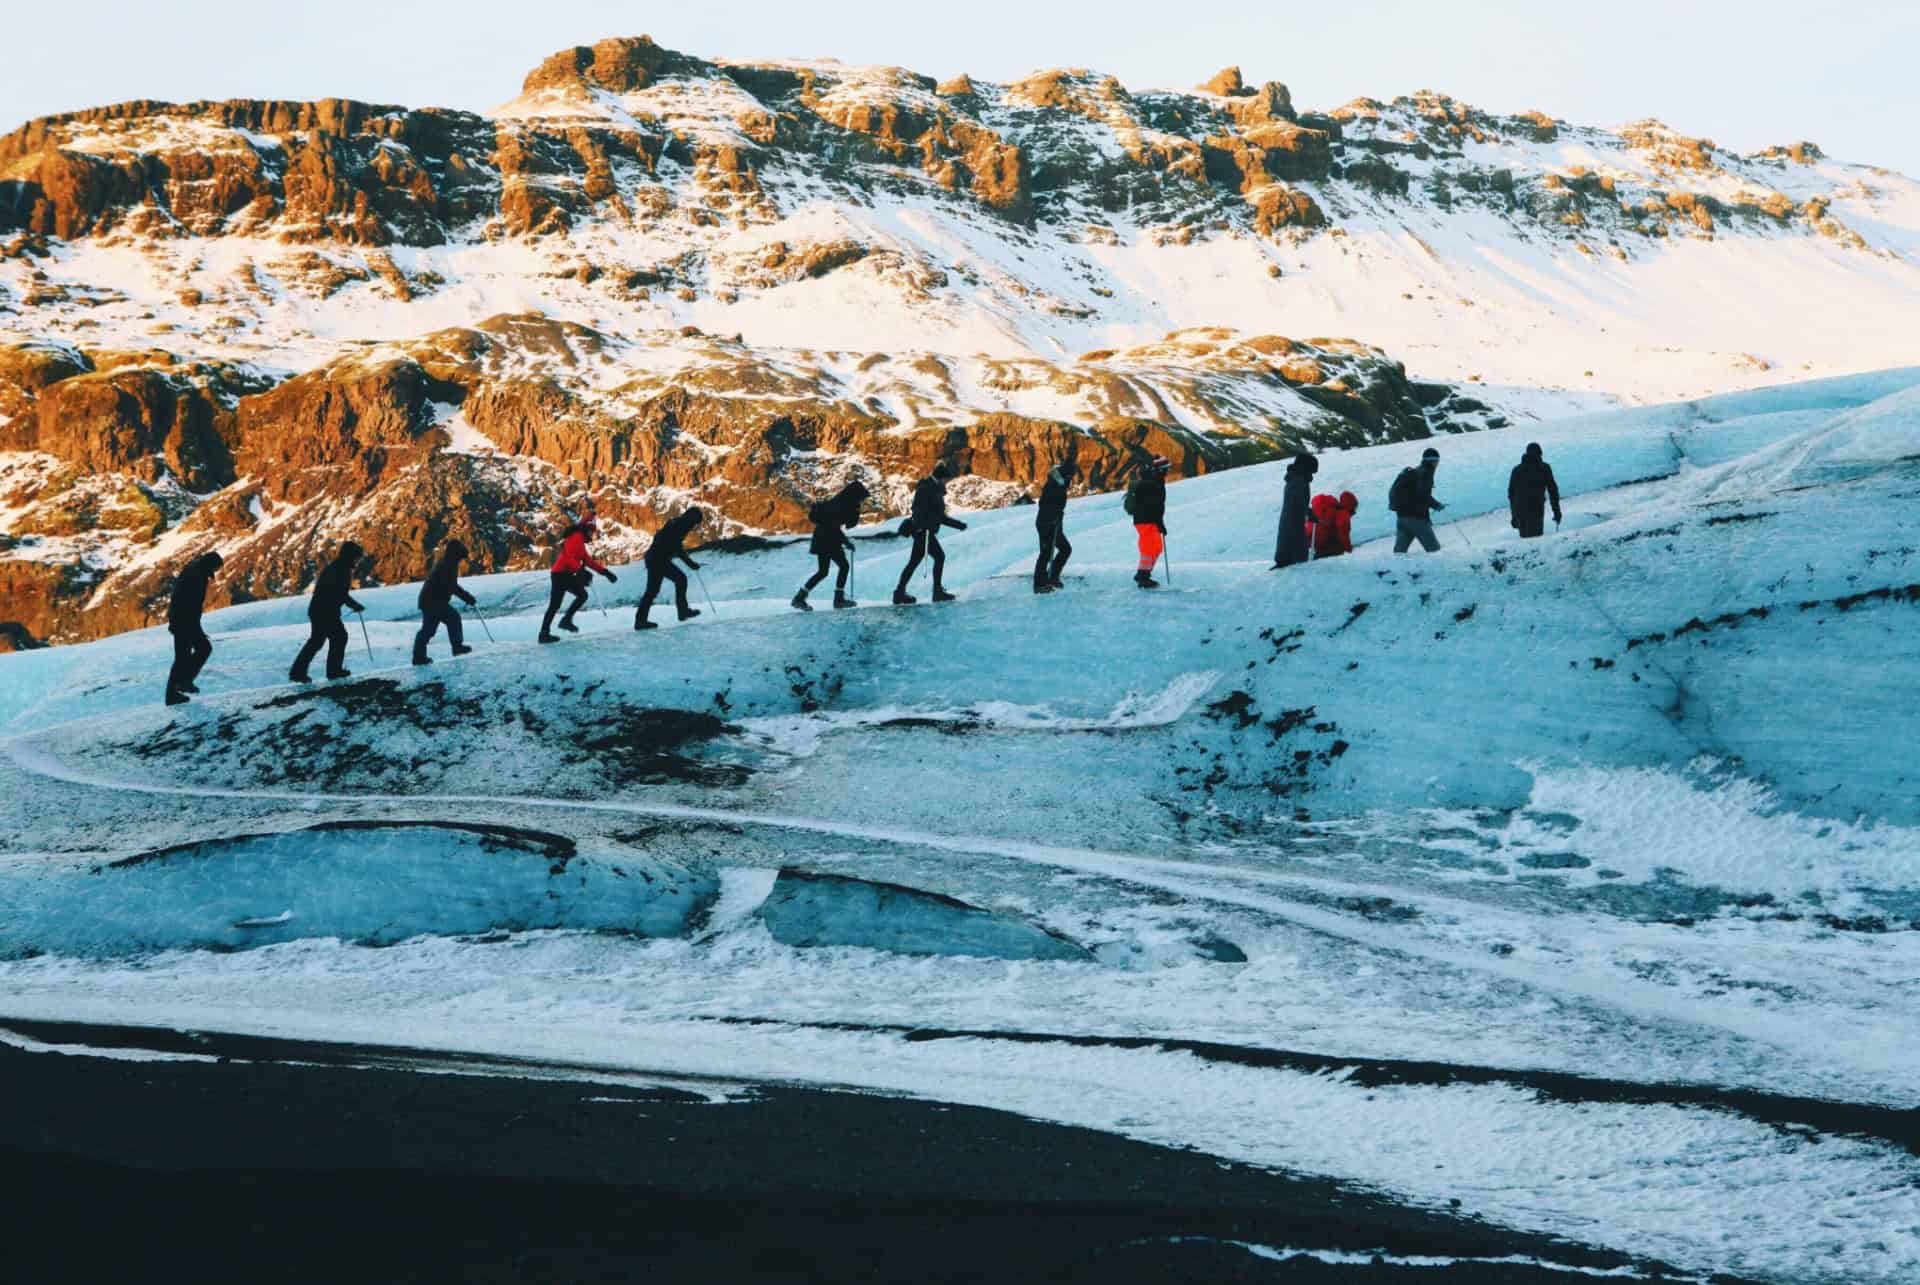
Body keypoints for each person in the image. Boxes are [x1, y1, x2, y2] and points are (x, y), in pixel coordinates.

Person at [290, 541, 366, 682]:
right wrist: (355, 605)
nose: (358, 560)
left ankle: (298, 672)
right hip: (326, 612)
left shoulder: (337, 567)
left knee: (318, 641)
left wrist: (353, 605)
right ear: (351, 556)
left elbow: (338, 593)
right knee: (338, 637)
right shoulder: (341, 570)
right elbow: (340, 593)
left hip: (320, 610)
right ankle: (333, 671)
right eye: (357, 557)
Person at [893, 462, 967, 605]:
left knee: (913, 563)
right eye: (946, 479)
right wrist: (922, 527)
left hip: (922, 531)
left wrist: (958, 525)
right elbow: (918, 510)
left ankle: (899, 593)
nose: (947, 482)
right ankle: (937, 592)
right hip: (923, 531)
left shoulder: (932, 488)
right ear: (941, 477)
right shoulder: (927, 489)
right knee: (939, 556)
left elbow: (938, 515)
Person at [792, 481, 869, 611]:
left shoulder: (840, 502)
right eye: (861, 498)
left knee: (823, 572)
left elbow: (841, 525)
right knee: (844, 566)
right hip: (828, 539)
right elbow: (835, 527)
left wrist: (845, 541)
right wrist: (846, 542)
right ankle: (838, 600)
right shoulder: (841, 505)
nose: (861, 501)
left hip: (822, 538)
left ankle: (800, 598)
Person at [540, 516, 614, 643]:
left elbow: (587, 560)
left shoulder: (578, 539)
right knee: (579, 596)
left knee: (558, 604)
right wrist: (581, 571)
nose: (592, 534)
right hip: (561, 574)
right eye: (591, 531)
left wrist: (604, 572)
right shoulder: (576, 538)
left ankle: (547, 631)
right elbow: (570, 558)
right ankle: (563, 622)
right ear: (586, 529)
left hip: (561, 574)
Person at [164, 550, 222, 705]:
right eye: (216, 568)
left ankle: (181, 685)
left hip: (184, 621)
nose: (215, 572)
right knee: (191, 653)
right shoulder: (196, 575)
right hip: (185, 621)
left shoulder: (195, 572)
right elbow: (187, 602)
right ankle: (176, 690)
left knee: (188, 654)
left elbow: (180, 599)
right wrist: (187, 624)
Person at [634, 506, 705, 630]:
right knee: (680, 580)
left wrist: (690, 563)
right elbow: (678, 548)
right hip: (658, 560)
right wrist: (691, 564)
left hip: (655, 559)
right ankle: (682, 612)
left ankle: (641, 620)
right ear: (692, 519)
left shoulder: (677, 523)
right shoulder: (680, 526)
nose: (695, 526)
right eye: (695, 523)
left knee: (652, 591)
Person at [413, 539, 476, 665]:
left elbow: (451, 586)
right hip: (433, 601)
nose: (461, 560)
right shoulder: (448, 565)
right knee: (452, 618)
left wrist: (467, 597)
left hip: (430, 600)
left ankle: (419, 656)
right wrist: (467, 598)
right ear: (456, 554)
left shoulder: (448, 563)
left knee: (429, 629)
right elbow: (451, 586)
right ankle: (457, 647)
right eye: (461, 558)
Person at [1388, 447, 1445, 554]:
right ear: (1434, 461)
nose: (1438, 464)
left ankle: (1393, 570)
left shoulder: (1414, 472)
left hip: (1402, 517)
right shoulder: (1426, 473)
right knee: (1434, 550)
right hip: (1417, 519)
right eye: (1437, 461)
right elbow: (1423, 495)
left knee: (1399, 552)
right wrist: (1437, 505)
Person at [1033, 458, 1077, 594]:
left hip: (1054, 523)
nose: (1071, 480)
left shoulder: (1060, 482)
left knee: (1065, 549)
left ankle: (1052, 577)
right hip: (1047, 523)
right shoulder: (1054, 484)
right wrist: (1053, 517)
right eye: (1070, 476)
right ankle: (1039, 584)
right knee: (1046, 553)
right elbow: (1045, 504)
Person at [1125, 454, 1170, 588]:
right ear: (1159, 469)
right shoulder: (1153, 483)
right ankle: (1143, 576)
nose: (1168, 471)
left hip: (1145, 520)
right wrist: (1160, 523)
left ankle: (1144, 574)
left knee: (1155, 547)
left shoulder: (1153, 480)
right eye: (1166, 468)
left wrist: (1159, 523)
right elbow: (1153, 506)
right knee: (1150, 548)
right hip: (1146, 520)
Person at [1272, 452, 1319, 568]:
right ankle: (1287, 565)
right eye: (1311, 471)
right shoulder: (1298, 481)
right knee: (1295, 549)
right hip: (1292, 521)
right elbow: (1297, 500)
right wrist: (1309, 513)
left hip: (1293, 520)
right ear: (1305, 468)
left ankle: (1285, 562)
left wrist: (1308, 512)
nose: (1312, 475)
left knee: (1291, 544)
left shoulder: (1297, 478)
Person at [1508, 442, 1563, 539]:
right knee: (1536, 542)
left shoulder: (1517, 470)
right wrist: (1557, 512)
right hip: (1536, 511)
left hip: (1521, 512)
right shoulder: (1544, 468)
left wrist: (1514, 516)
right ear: (1540, 454)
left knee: (1526, 543)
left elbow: (1511, 495)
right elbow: (1553, 491)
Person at [1308, 492, 1359, 557]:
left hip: (1311, 540)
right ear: (1350, 505)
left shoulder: (1328, 508)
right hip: (1325, 543)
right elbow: (1343, 532)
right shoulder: (1343, 513)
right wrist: (1348, 549)